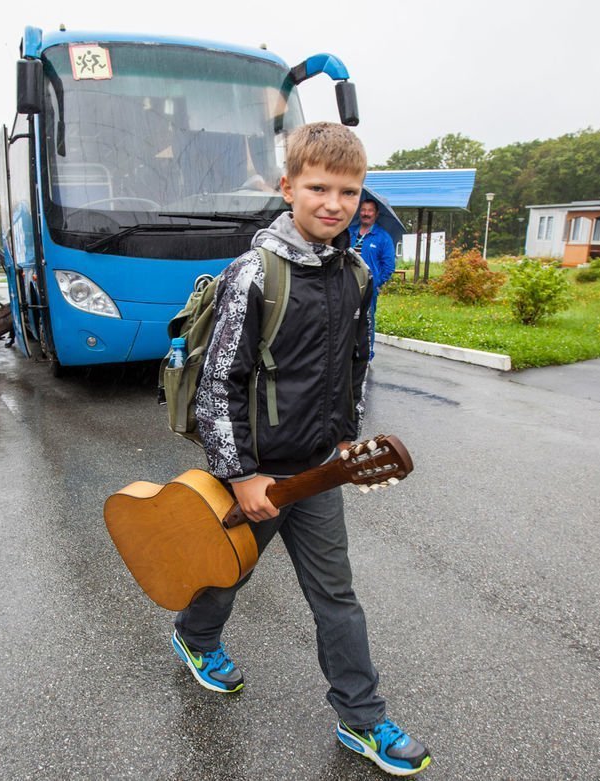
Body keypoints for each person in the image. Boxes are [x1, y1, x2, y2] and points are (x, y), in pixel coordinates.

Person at [173, 123, 431, 776]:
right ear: (288, 187)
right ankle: (195, 635)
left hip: (316, 471)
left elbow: (353, 363)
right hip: (260, 473)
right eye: (318, 186)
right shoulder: (254, 273)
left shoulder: (355, 272)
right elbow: (218, 383)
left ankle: (362, 718)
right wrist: (240, 476)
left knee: (336, 597)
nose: (334, 202)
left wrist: (344, 437)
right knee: (230, 568)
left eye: (349, 190)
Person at [348, 198, 396, 359]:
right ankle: (347, 353)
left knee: (366, 322)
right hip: (346, 286)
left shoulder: (383, 237)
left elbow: (388, 266)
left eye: (369, 210)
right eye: (363, 210)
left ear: (376, 214)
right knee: (345, 320)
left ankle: (366, 355)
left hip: (368, 288)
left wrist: (375, 283)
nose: (365, 213)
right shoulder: (349, 232)